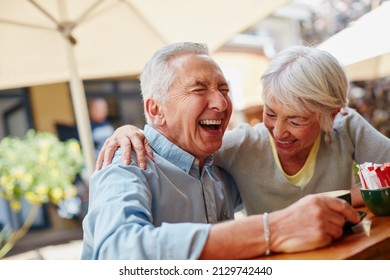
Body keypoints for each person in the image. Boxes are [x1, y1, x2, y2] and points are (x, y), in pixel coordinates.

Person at [81, 42, 360, 260]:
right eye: (199, 89)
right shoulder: (127, 161)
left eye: (223, 89)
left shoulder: (218, 169)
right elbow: (116, 252)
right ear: (156, 110)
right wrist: (269, 231)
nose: (221, 102)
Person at [97, 45, 390, 215]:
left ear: (332, 114)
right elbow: (181, 144)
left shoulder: (347, 127)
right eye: (271, 113)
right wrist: (130, 131)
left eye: (297, 120)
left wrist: (344, 200)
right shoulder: (241, 146)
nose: (279, 131)